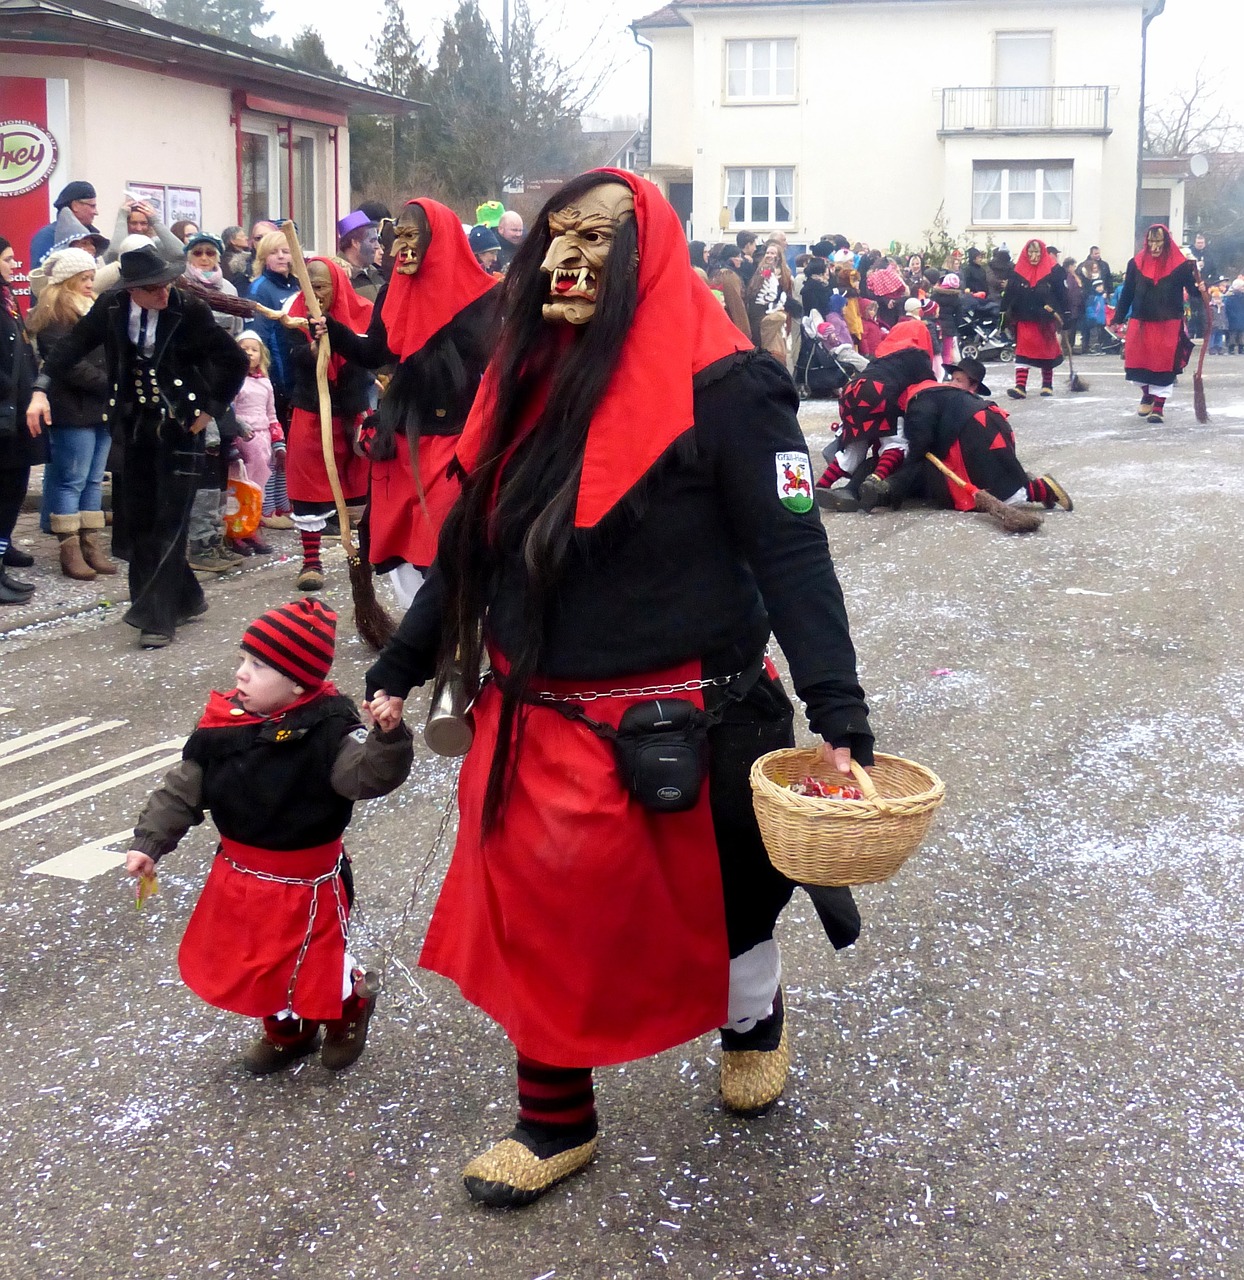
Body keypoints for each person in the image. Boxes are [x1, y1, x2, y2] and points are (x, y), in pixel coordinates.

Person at [363, 169, 874, 1208]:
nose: (568, 261)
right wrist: (399, 664)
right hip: (538, 715)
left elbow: (792, 555)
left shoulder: (735, 389)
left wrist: (838, 712)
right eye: (555, 238)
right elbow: (471, 544)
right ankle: (553, 1118)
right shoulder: (523, 376)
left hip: (692, 719)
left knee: (731, 907)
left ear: (646, 249)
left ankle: (751, 1018)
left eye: (596, 239)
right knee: (541, 917)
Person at [124, 599, 414, 1075]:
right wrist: (148, 843)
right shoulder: (223, 729)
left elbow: (367, 778)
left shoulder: (329, 733)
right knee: (254, 961)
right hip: (239, 876)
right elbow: (180, 792)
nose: (240, 674)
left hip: (308, 881)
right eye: (242, 659)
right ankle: (289, 1032)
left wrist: (387, 738)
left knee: (315, 961)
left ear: (298, 682)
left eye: (257, 666)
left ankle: (348, 1010)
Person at [29, 244, 248, 647]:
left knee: (169, 521)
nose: (163, 294)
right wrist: (41, 389)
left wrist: (211, 409)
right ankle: (185, 596)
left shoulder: (189, 309)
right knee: (141, 519)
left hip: (183, 425)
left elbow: (234, 360)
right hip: (133, 425)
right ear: (132, 290)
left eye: (165, 285)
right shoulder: (111, 307)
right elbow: (70, 347)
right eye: (153, 288)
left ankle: (155, 618)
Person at [320, 199, 498, 608]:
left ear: (440, 239)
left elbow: (491, 360)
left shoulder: (482, 297)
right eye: (398, 236)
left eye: (412, 235)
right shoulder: (391, 291)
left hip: (455, 434)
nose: (402, 247)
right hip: (402, 432)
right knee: (400, 536)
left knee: (443, 537)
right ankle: (424, 634)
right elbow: (378, 352)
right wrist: (332, 330)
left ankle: (451, 629)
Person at [278, 258, 373, 592]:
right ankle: (311, 560)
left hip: (352, 410)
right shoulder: (292, 314)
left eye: (320, 286)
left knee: (360, 478)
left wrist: (340, 338)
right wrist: (314, 348)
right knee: (307, 480)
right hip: (311, 408)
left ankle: (364, 553)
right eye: (309, 286)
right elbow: (289, 356)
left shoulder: (364, 311)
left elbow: (372, 355)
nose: (314, 293)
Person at [25, 249, 116, 581]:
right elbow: (68, 365)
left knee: (93, 479)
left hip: (99, 407)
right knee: (71, 479)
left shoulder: (93, 311)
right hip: (72, 408)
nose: (90, 284)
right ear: (68, 282)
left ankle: (91, 543)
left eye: (92, 278)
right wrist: (109, 383)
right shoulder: (52, 317)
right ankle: (69, 548)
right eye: (85, 279)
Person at [885, 366, 1073, 513]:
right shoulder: (949, 395)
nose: (952, 383)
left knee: (997, 492)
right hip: (980, 428)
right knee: (992, 480)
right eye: (952, 378)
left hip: (977, 431)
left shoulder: (926, 397)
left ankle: (1042, 489)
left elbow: (923, 438)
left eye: (958, 380)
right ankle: (1029, 485)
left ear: (973, 385)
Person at [1113, 225, 1201, 424]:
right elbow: (1127, 293)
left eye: (1158, 242)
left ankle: (1159, 407)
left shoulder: (1181, 266)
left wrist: (1201, 289)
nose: (1154, 247)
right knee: (1137, 362)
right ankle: (1147, 394)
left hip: (1168, 322)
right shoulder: (1135, 263)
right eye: (1151, 242)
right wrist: (1118, 316)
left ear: (1166, 241)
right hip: (1140, 320)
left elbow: (1193, 292)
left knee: (1162, 364)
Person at [0, 236, 40, 604]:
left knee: (14, 486)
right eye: (8, 259)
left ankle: (2, 552)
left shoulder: (7, 300)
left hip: (14, 414)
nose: (15, 265)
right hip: (3, 412)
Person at [229, 330, 282, 555]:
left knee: (257, 489)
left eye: (254, 349)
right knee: (240, 488)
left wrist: (278, 442)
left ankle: (252, 528)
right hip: (243, 439)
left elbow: (271, 414)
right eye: (244, 349)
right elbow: (229, 411)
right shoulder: (234, 381)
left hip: (263, 440)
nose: (250, 354)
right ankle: (235, 531)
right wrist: (232, 440)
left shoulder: (266, 384)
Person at [1002, 239, 1067, 399]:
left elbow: (1062, 295)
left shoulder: (1054, 271)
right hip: (1024, 317)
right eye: (1030, 252)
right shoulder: (1017, 272)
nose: (1033, 255)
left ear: (1042, 253)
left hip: (1046, 318)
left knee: (1046, 351)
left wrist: (1066, 314)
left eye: (1037, 252)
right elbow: (1009, 293)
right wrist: (1003, 312)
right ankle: (1020, 387)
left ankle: (1047, 385)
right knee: (1023, 351)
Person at [246, 231, 300, 420]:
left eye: (286, 251)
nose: (281, 256)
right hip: (277, 376)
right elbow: (258, 338)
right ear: (263, 258)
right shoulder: (259, 289)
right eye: (273, 252)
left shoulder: (298, 285)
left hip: (299, 372)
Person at [29, 182, 99, 268]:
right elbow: (40, 277)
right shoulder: (46, 237)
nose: (96, 212)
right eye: (92, 206)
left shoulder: (95, 236)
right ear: (75, 206)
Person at [744, 241, 793, 361]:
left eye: (773, 253)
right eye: (768, 252)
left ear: (779, 257)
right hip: (757, 312)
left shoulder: (784, 275)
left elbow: (786, 296)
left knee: (771, 348)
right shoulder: (759, 271)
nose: (769, 255)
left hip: (774, 315)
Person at [335, 211, 384, 302]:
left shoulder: (376, 273)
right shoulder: (337, 275)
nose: (378, 246)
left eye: (377, 240)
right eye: (372, 241)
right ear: (355, 243)